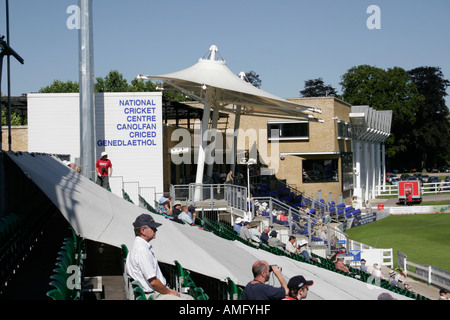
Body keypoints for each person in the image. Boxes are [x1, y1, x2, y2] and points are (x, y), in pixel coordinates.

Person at [125, 213, 194, 300]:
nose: (156, 230)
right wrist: (169, 292)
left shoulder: (138, 246)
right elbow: (153, 282)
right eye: (153, 228)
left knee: (189, 298)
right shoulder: (142, 250)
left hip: (155, 292)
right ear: (143, 231)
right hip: (153, 295)